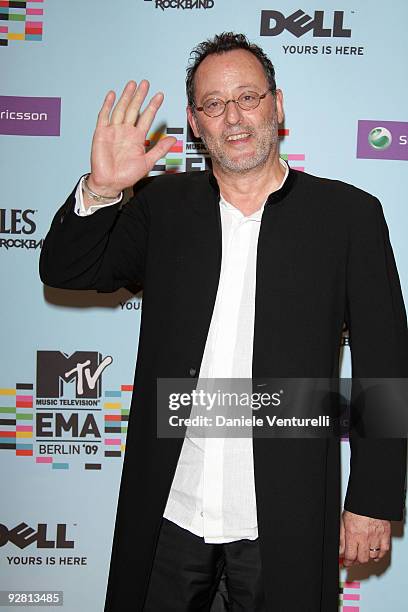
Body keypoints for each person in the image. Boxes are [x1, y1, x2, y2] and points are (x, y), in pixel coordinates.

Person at [40, 32, 408, 612]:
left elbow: (385, 366)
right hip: (170, 510)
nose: (233, 117)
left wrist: (372, 498)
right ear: (194, 122)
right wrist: (104, 188)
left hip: (281, 516)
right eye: (214, 104)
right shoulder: (163, 207)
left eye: (249, 98)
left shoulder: (350, 216)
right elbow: (68, 268)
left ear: (278, 105)